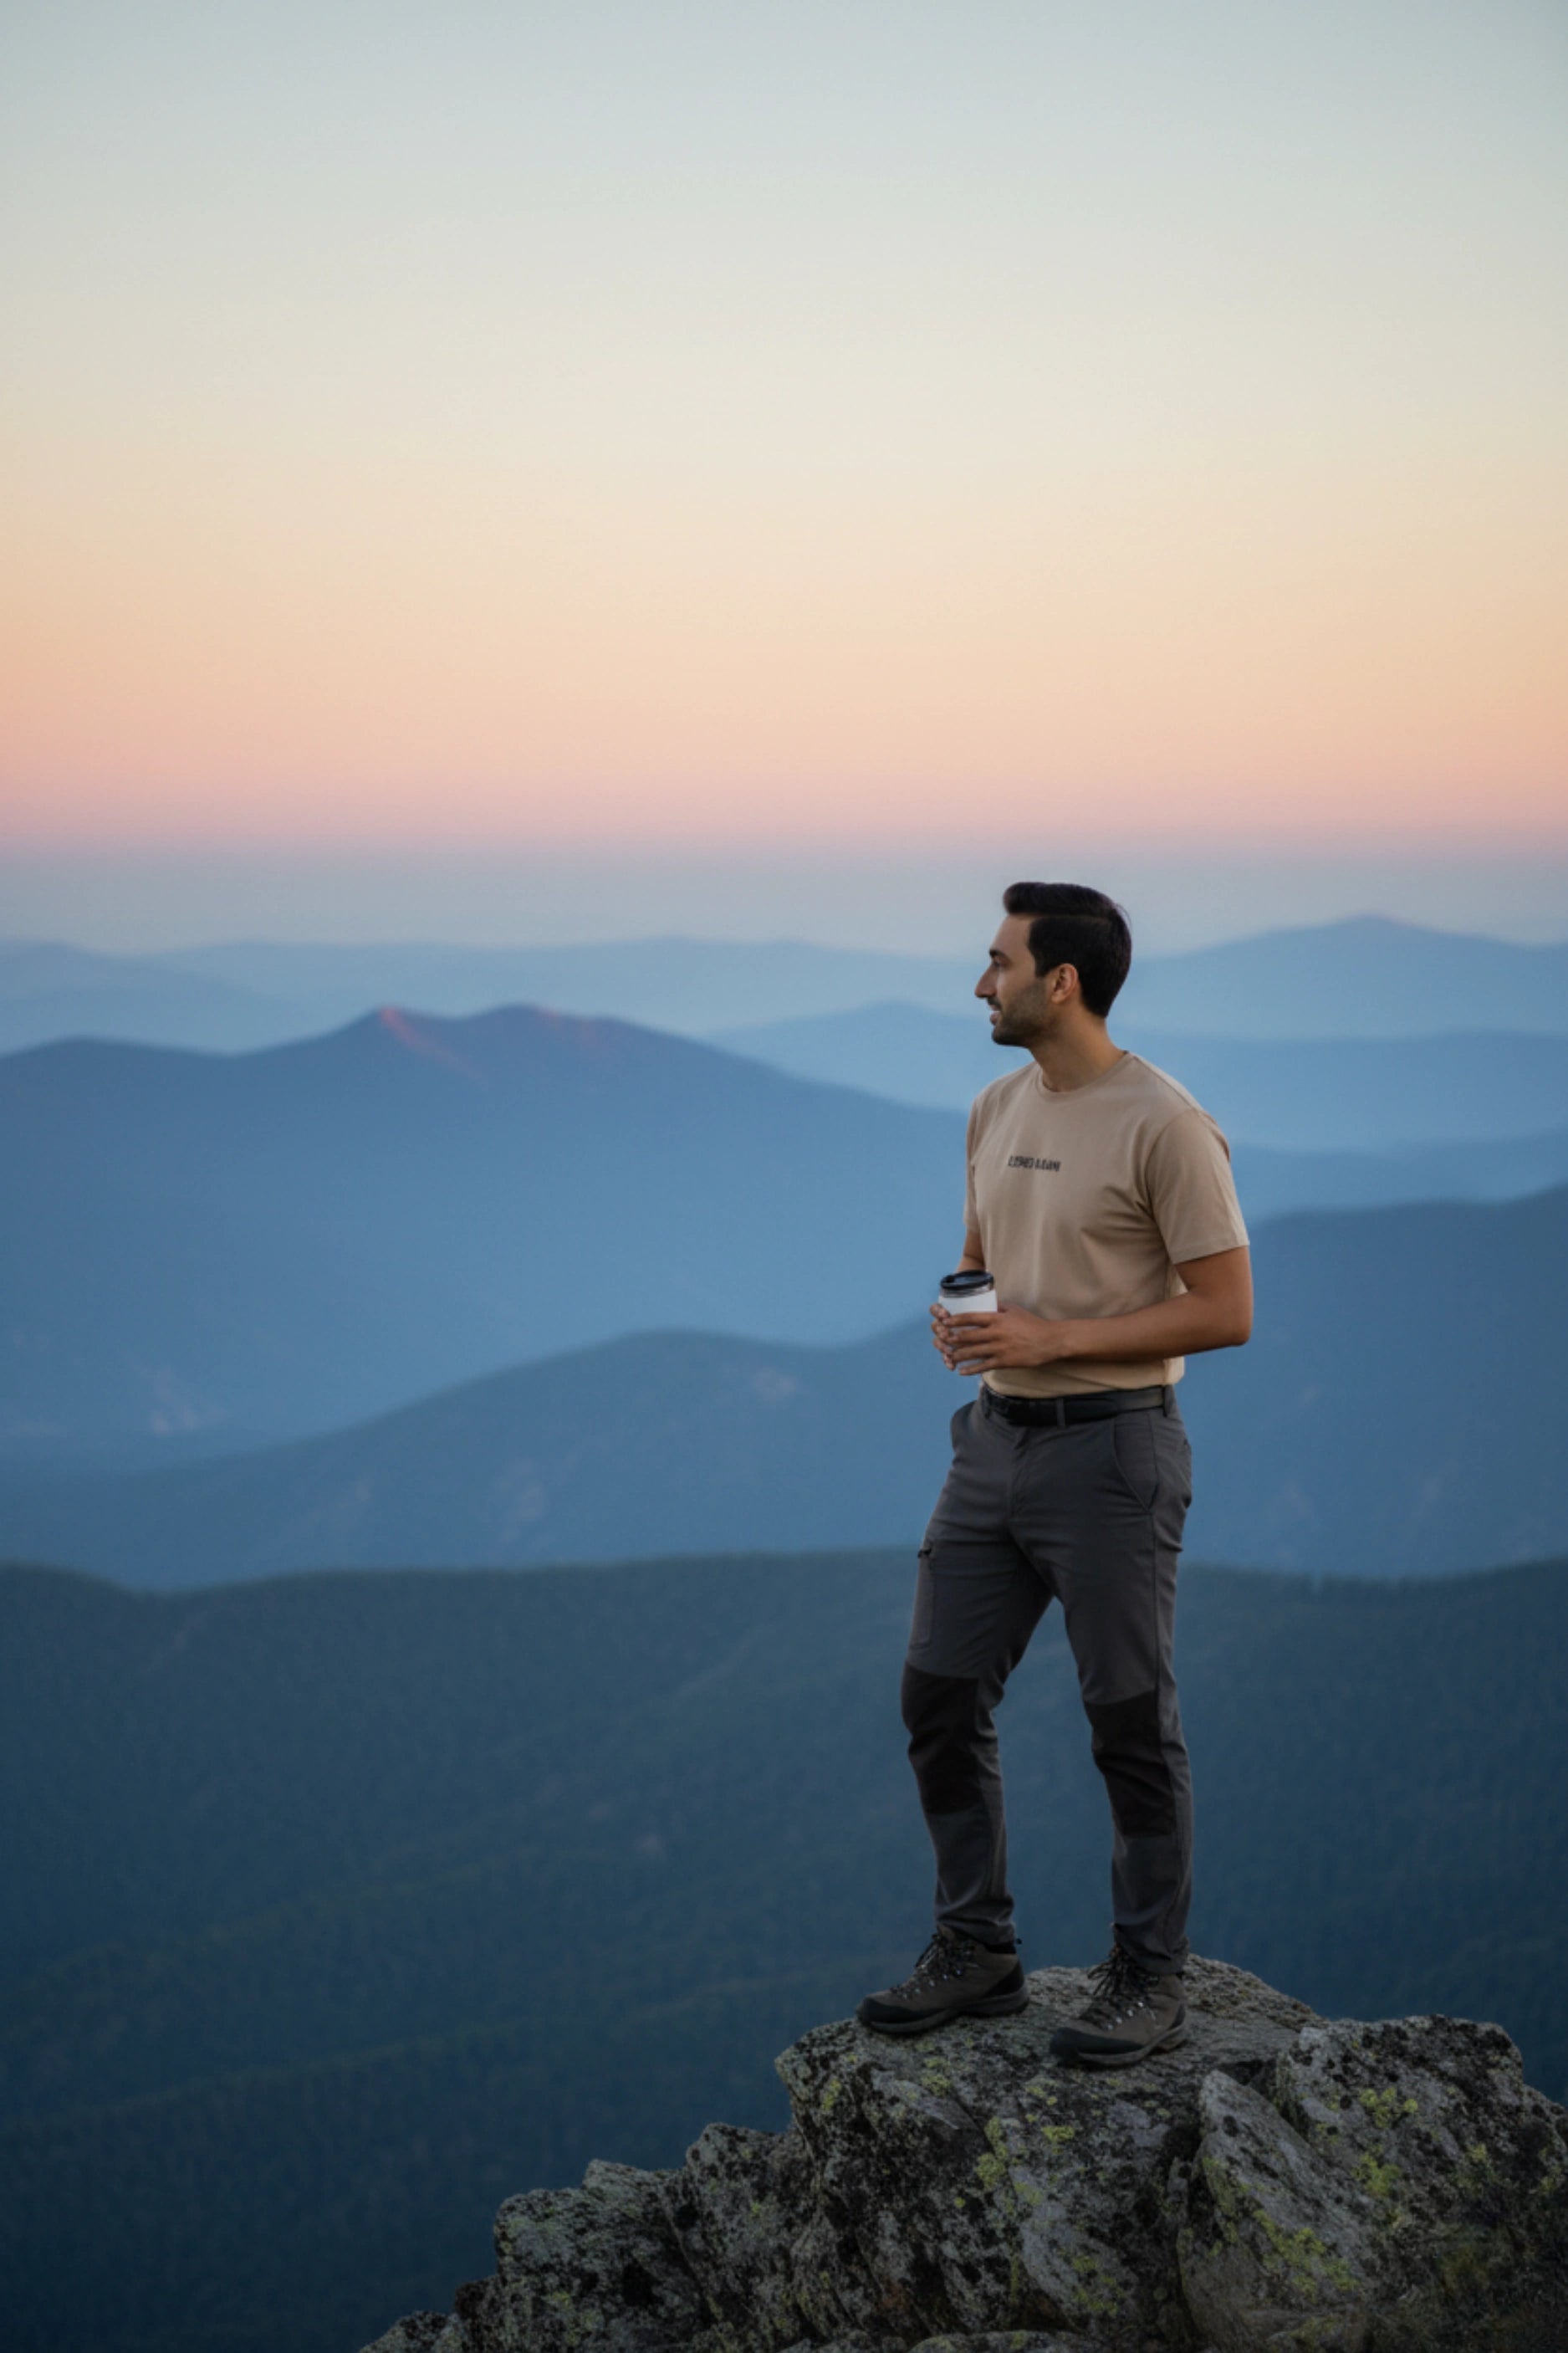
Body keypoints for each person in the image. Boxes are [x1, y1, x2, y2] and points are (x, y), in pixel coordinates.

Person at [857, 882, 1252, 2065]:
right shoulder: (992, 1105)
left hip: (1115, 1450)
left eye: (998, 961)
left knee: (1129, 1720)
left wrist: (1054, 1339)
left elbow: (1226, 1308)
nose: (981, 981)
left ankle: (1149, 1974)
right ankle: (975, 1946)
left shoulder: (1165, 1124)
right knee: (937, 1693)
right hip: (992, 1444)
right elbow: (984, 1258)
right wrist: (970, 1317)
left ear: (1060, 982)